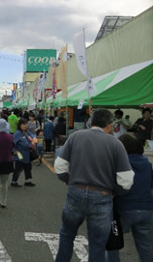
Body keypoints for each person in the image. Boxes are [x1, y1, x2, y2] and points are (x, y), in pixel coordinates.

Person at [54, 108, 134, 262]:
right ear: (109, 125)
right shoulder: (116, 144)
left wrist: (69, 181)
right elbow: (127, 180)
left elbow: (60, 166)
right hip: (102, 197)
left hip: (75, 193)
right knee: (97, 245)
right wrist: (113, 191)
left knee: (66, 236)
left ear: (91, 122)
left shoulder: (75, 137)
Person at [106, 133, 153, 262]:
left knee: (112, 243)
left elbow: (112, 186)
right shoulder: (147, 164)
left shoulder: (120, 163)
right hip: (147, 209)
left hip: (123, 209)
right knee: (145, 247)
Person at [11, 119, 36, 187]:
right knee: (18, 168)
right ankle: (14, 181)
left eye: (26, 124)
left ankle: (28, 181)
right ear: (20, 125)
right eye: (23, 124)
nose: (25, 125)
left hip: (27, 153)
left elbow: (32, 139)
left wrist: (33, 143)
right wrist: (14, 150)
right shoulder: (17, 133)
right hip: (19, 154)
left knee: (28, 167)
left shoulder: (27, 132)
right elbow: (12, 143)